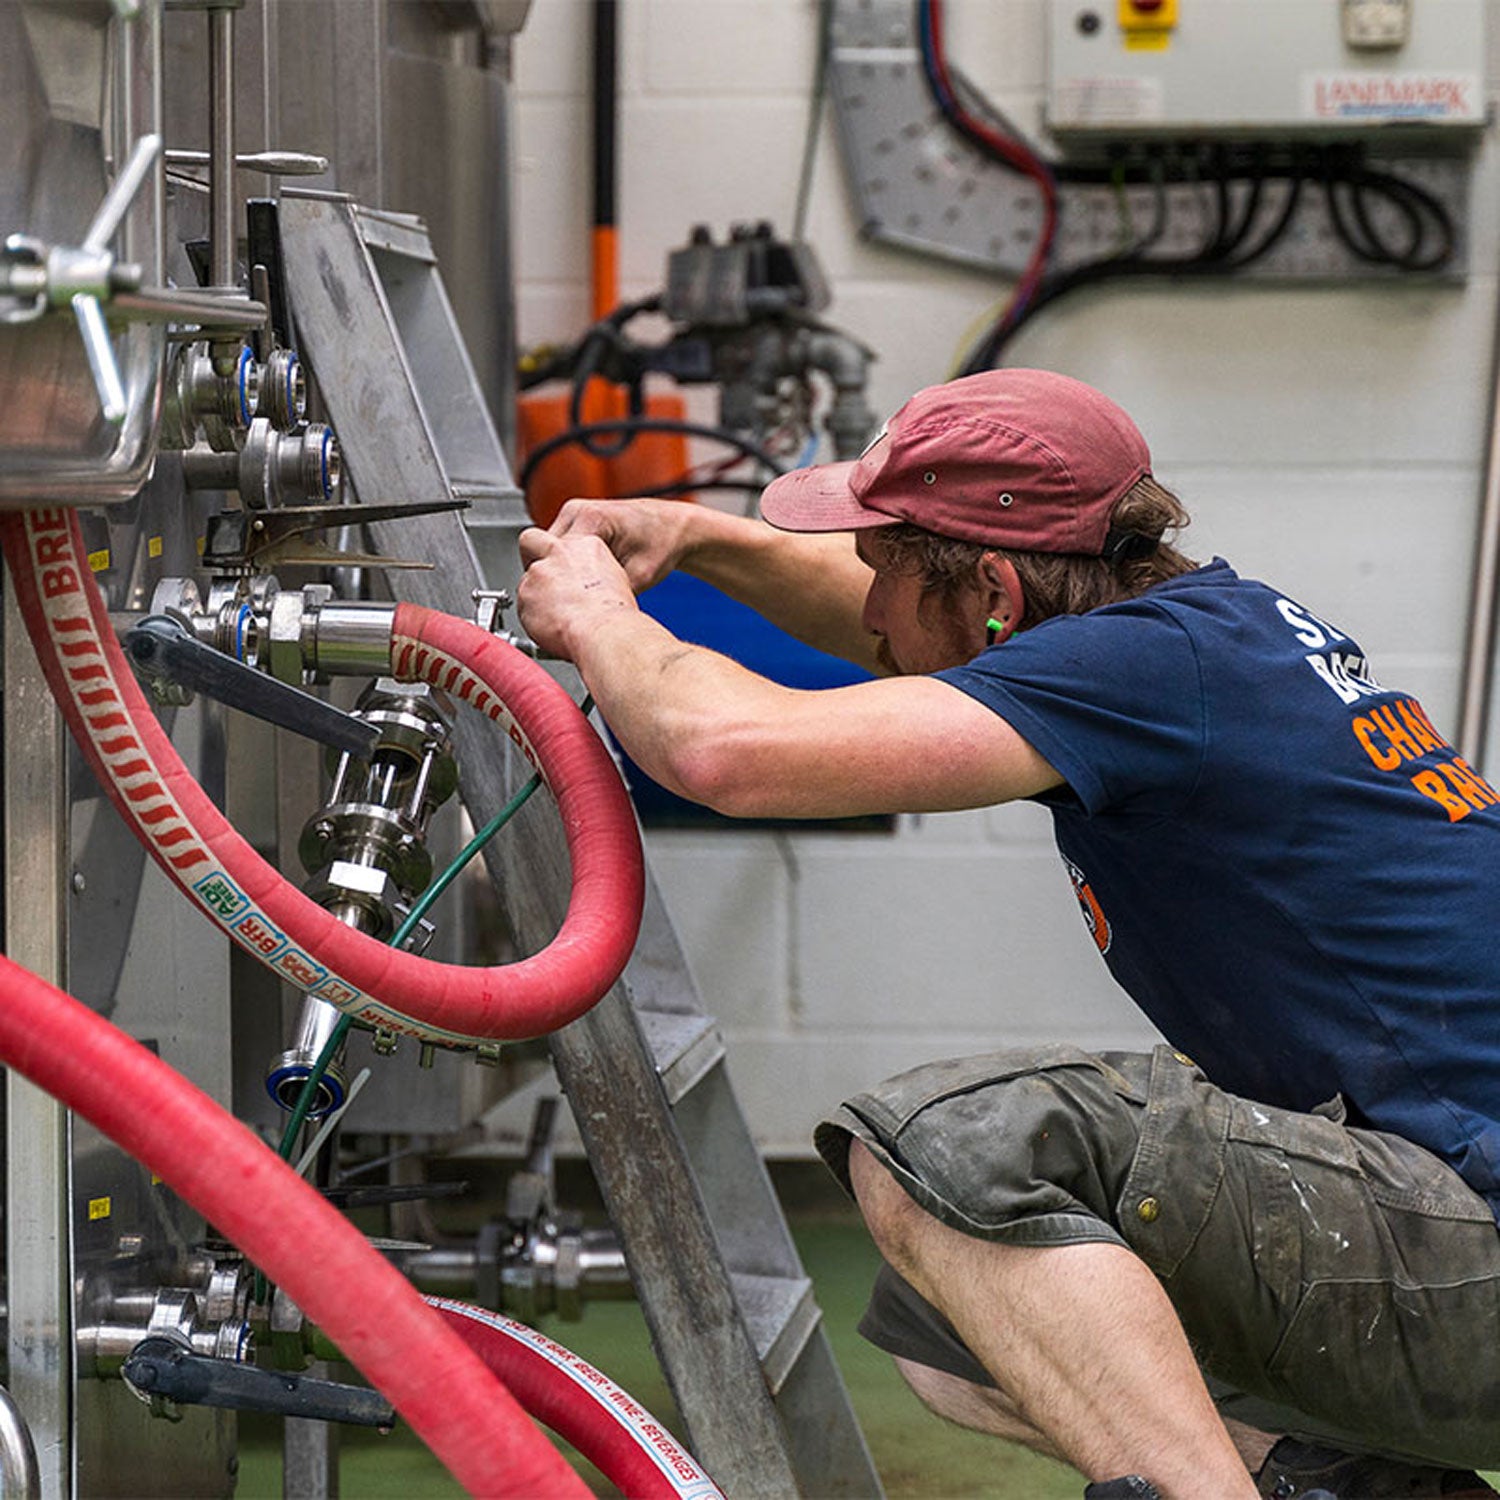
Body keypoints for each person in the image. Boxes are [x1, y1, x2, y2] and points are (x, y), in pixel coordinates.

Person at [516, 368, 1500, 1500]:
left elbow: (718, 751)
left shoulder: (1139, 671)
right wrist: (696, 537)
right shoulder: (1191, 635)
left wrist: (597, 615)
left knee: (953, 1145)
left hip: (1476, 1250)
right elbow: (893, 631)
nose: (869, 610)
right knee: (959, 1332)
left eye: (885, 569)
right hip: (1449, 1223)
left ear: (993, 585)